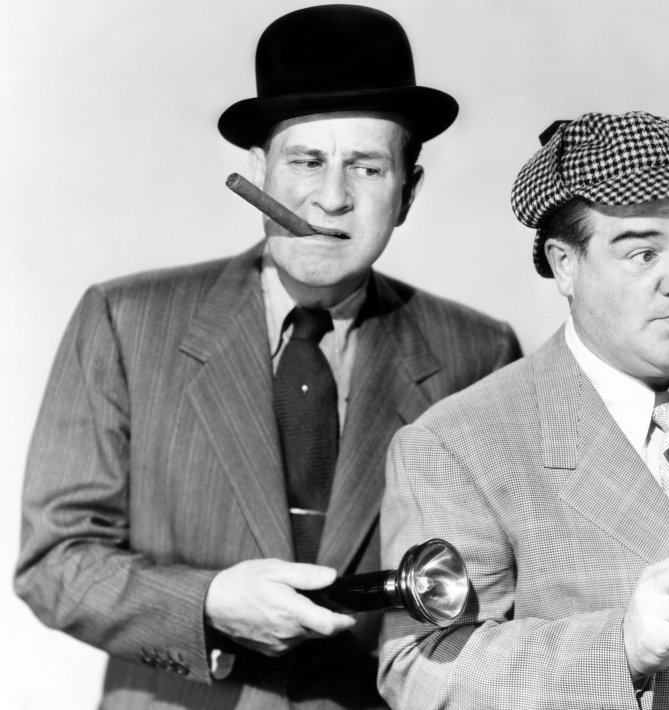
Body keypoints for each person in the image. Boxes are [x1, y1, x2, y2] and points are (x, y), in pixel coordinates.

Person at [14, 5, 521, 709]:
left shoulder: (479, 353)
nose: (331, 198)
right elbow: (54, 563)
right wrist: (208, 604)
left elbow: (496, 590)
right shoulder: (124, 321)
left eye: (367, 167)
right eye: (306, 161)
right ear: (258, 173)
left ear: (408, 192)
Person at [378, 111, 669, 708]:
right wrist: (620, 648)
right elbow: (419, 673)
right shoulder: (457, 445)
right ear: (565, 265)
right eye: (643, 253)